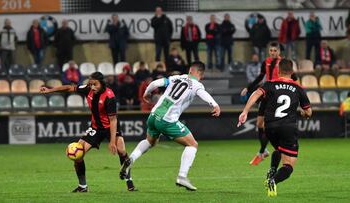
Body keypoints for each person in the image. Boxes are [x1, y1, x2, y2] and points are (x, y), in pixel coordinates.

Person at [119, 61, 221, 191]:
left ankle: (130, 160)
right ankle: (182, 177)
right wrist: (214, 104)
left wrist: (146, 93)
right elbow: (203, 94)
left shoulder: (176, 78)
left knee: (150, 141)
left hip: (153, 115)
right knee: (192, 144)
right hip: (167, 120)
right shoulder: (197, 85)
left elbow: (155, 83)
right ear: (201, 74)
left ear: (190, 70)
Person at [39, 72, 136, 192]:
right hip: (95, 128)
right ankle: (83, 186)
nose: (92, 87)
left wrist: (112, 142)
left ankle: (129, 180)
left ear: (102, 83)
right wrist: (50, 90)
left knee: (121, 150)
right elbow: (69, 87)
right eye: (90, 84)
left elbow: (113, 120)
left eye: (95, 84)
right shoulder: (88, 89)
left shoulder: (109, 96)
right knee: (77, 154)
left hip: (110, 126)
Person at [238, 59, 312, 197]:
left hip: (270, 128)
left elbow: (256, 94)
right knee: (289, 166)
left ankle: (272, 169)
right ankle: (273, 180)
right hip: (288, 128)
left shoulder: (270, 84)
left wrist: (245, 111)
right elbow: (308, 112)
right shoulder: (298, 88)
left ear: (278, 71)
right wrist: (303, 113)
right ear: (292, 71)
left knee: (279, 150)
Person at [240, 42, 297, 166]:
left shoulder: (283, 63)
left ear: (279, 52)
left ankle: (263, 152)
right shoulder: (266, 62)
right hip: (267, 93)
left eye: (275, 51)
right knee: (259, 123)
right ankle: (264, 151)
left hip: (276, 97)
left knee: (267, 125)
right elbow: (261, 77)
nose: (272, 52)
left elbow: (294, 78)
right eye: (271, 50)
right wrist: (248, 88)